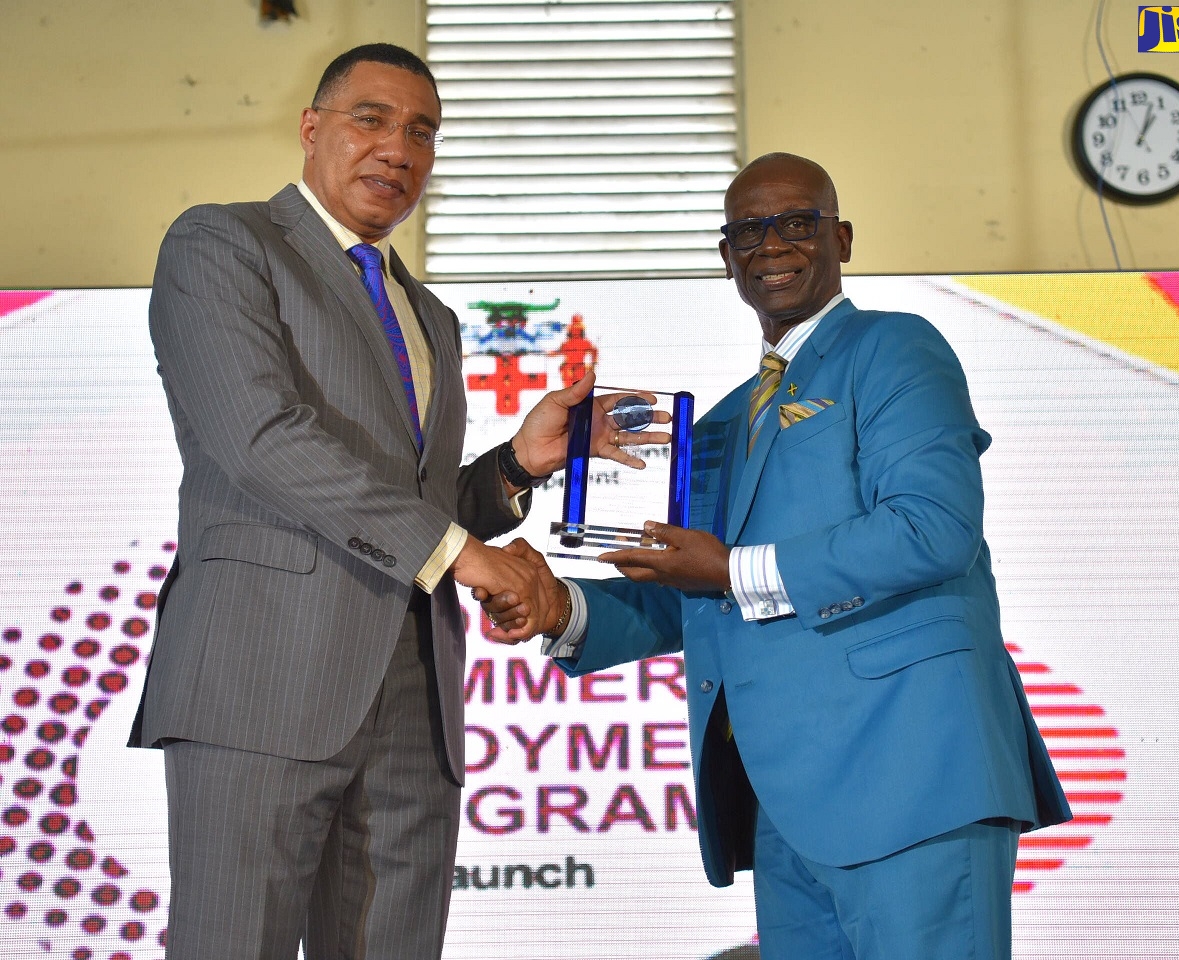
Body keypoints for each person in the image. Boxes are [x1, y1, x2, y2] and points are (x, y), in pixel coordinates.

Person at [128, 43, 663, 960]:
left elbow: (424, 500)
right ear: (311, 129)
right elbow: (262, 439)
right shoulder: (222, 244)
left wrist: (519, 467)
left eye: (422, 132)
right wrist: (462, 553)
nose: (398, 149)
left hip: (414, 699)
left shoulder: (431, 316)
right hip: (262, 683)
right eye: (370, 119)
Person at [482, 153, 1073, 960]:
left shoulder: (895, 348)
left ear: (843, 238)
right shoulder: (721, 420)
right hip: (783, 805)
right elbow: (689, 585)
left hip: (913, 777)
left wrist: (727, 570)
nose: (774, 244)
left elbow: (933, 527)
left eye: (798, 222)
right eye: (749, 230)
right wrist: (563, 606)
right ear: (727, 258)